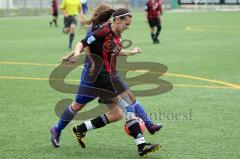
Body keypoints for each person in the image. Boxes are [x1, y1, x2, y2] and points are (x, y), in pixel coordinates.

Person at [51, 5, 162, 150]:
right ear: (115, 19)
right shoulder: (101, 30)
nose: (127, 27)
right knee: (79, 105)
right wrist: (80, 57)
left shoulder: (116, 32)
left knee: (118, 112)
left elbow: (114, 50)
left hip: (110, 74)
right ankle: (57, 129)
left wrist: (131, 53)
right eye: (126, 24)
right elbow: (84, 43)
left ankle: (146, 129)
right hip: (94, 75)